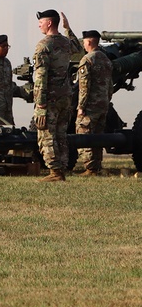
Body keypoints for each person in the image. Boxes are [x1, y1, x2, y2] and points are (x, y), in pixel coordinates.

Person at [32, 10, 74, 182]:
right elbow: (78, 48)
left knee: (46, 134)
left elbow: (41, 77)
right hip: (65, 97)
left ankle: (55, 172)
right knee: (61, 134)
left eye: (41, 21)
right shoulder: (66, 43)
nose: (38, 24)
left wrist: (40, 105)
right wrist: (67, 29)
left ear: (49, 23)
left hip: (49, 99)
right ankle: (62, 168)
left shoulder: (43, 45)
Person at [73, 30, 113, 176]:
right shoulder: (106, 59)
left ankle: (90, 168)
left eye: (84, 42)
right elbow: (110, 85)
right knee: (98, 137)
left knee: (84, 134)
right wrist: (106, 101)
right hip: (103, 105)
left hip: (90, 106)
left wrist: (81, 107)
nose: (83, 44)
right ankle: (96, 167)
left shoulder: (87, 60)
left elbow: (84, 87)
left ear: (88, 42)